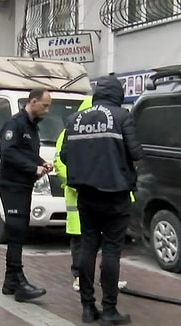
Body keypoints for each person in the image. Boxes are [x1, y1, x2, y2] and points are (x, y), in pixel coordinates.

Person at [60, 75, 142, 326]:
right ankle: (109, 310)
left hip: (86, 194)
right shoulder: (122, 116)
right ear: (117, 94)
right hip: (115, 195)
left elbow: (64, 155)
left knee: (87, 247)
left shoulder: (75, 119)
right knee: (111, 251)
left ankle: (87, 307)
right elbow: (136, 152)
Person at [54, 96, 130, 292]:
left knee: (106, 243)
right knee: (82, 242)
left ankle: (107, 279)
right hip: (81, 195)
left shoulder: (108, 129)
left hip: (102, 194)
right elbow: (60, 163)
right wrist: (77, 181)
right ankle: (79, 277)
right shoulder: (69, 132)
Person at [0, 88, 52, 301]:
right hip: (12, 184)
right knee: (16, 231)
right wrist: (32, 169)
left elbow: (26, 152)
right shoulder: (14, 124)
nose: (47, 110)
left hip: (23, 185)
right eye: (45, 105)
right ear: (33, 101)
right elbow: (8, 152)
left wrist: (40, 163)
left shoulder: (31, 126)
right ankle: (18, 280)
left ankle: (10, 282)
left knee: (18, 232)